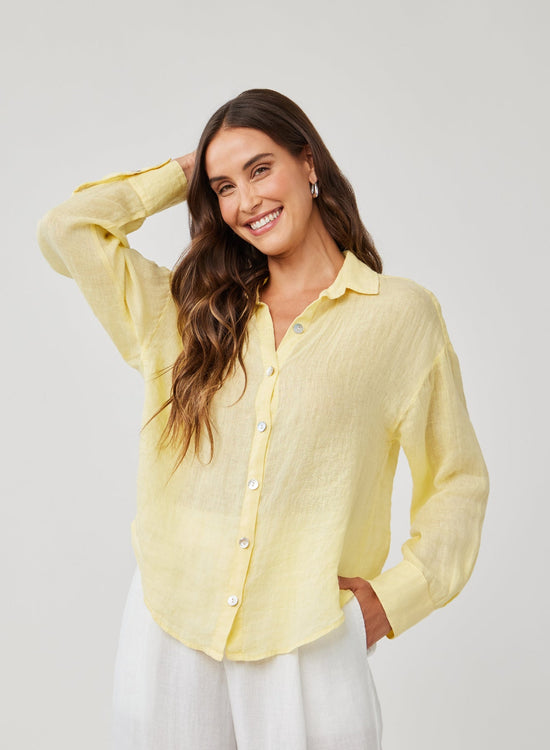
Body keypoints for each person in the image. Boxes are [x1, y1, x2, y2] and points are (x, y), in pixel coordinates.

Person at [37, 88, 490, 749]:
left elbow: (457, 480)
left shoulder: (400, 316)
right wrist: (187, 173)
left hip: (308, 636)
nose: (246, 201)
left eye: (260, 168)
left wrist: (395, 600)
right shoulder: (186, 314)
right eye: (225, 187)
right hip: (170, 627)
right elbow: (66, 230)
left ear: (309, 163)